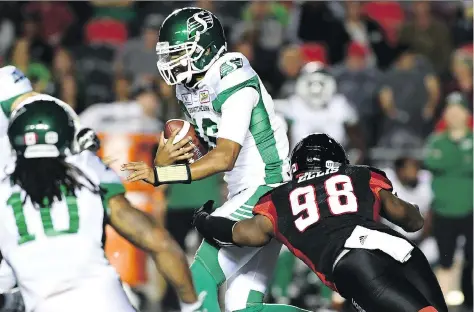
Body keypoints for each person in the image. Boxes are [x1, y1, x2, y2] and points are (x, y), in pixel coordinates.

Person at [122, 7, 309, 312]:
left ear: (205, 47)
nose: (171, 62)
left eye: (179, 53)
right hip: (249, 191)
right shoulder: (188, 86)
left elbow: (224, 156)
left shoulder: (231, 73)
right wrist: (169, 156)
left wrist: (161, 175)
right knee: (245, 309)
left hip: (266, 188)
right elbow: (204, 147)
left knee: (198, 279)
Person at [193, 133, 448, 312]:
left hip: (350, 261)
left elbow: (244, 234)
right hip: (395, 246)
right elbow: (410, 220)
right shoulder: (358, 174)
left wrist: (205, 220)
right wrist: (414, 212)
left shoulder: (279, 198)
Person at [0, 100, 203, 312]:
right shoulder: (87, 169)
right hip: (107, 303)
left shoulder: (3, 189)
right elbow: (159, 242)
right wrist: (193, 306)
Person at [424, 91, 473, 310]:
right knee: (445, 258)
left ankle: (470, 300)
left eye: (458, 109)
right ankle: (443, 302)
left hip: (471, 209)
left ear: (466, 113)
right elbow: (433, 162)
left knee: (472, 259)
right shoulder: (437, 140)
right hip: (444, 210)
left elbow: (446, 164)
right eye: (450, 110)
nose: (454, 114)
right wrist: (462, 160)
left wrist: (452, 161)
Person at [275, 62, 366, 163]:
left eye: (321, 83)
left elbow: (358, 145)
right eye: (310, 83)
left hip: (336, 170)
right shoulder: (291, 106)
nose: (316, 90)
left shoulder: (340, 105)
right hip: (297, 171)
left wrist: (349, 165)